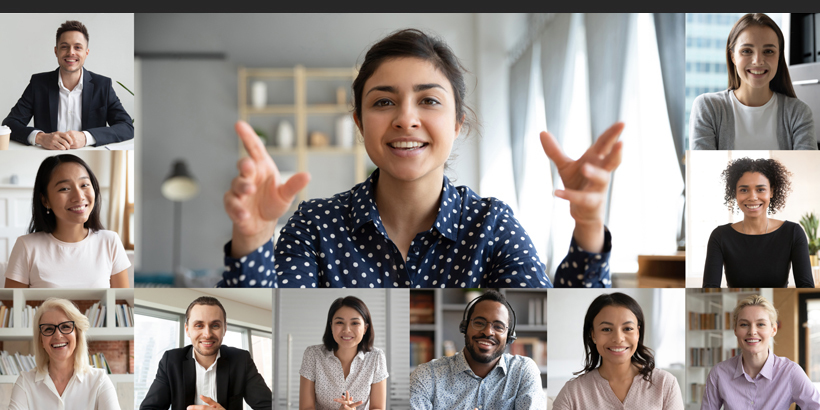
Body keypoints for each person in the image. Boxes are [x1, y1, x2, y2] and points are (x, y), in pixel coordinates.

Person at [220, 28, 623, 288]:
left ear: (458, 122)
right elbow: (275, 325)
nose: (405, 119)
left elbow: (563, 328)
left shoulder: (492, 225)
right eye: (383, 102)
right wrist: (252, 239)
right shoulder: (315, 226)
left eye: (429, 100)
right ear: (360, 123)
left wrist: (588, 228)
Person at [690, 13, 816, 150]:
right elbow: (702, 170)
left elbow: (807, 170)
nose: (758, 61)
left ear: (779, 56)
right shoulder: (708, 108)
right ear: (733, 56)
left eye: (768, 51)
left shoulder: (798, 113)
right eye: (747, 51)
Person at [1, 20, 133, 149]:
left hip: (90, 159)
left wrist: (86, 137)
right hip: (46, 158)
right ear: (56, 51)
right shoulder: (38, 83)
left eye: (78, 47)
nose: (71, 52)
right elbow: (9, 124)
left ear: (86, 53)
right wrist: (41, 137)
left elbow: (127, 127)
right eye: (64, 46)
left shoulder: (102, 85)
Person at [4, 154, 130, 288]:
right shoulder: (26, 246)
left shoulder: (110, 241)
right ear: (45, 200)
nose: (79, 196)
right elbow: (11, 307)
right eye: (64, 188)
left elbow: (122, 305)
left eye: (84, 185)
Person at [410, 290, 545, 409]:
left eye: (498, 326)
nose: (488, 332)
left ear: (509, 336)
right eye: (479, 323)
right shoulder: (427, 376)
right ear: (465, 327)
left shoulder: (523, 371)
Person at [552, 293, 683, 409]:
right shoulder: (573, 392)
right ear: (593, 335)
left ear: (638, 333)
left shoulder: (665, 384)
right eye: (606, 329)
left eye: (627, 328)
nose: (618, 339)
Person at [140, 296, 272, 410]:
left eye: (215, 325)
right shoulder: (171, 361)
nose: (207, 334)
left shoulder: (241, 360)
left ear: (224, 329)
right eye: (199, 325)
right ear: (187, 329)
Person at [702, 157, 814, 288]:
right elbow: (710, 288)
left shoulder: (793, 233)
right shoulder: (720, 236)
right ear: (735, 193)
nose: (752, 197)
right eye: (744, 190)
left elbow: (806, 287)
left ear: (771, 191)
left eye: (760, 189)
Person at [702, 295, 820, 409]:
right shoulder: (718, 373)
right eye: (744, 324)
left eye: (761, 324)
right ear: (735, 330)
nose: (752, 331)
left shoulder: (790, 372)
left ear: (773, 329)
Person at [9, 298, 120, 410]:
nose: (58, 335)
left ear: (77, 335)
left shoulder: (99, 381)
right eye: (48, 329)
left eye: (66, 327)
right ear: (41, 341)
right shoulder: (25, 382)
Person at [299, 296, 387, 410]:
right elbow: (306, 408)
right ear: (331, 326)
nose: (346, 330)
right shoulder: (313, 354)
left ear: (365, 328)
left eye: (355, 323)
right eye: (340, 322)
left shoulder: (376, 357)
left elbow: (378, 407)